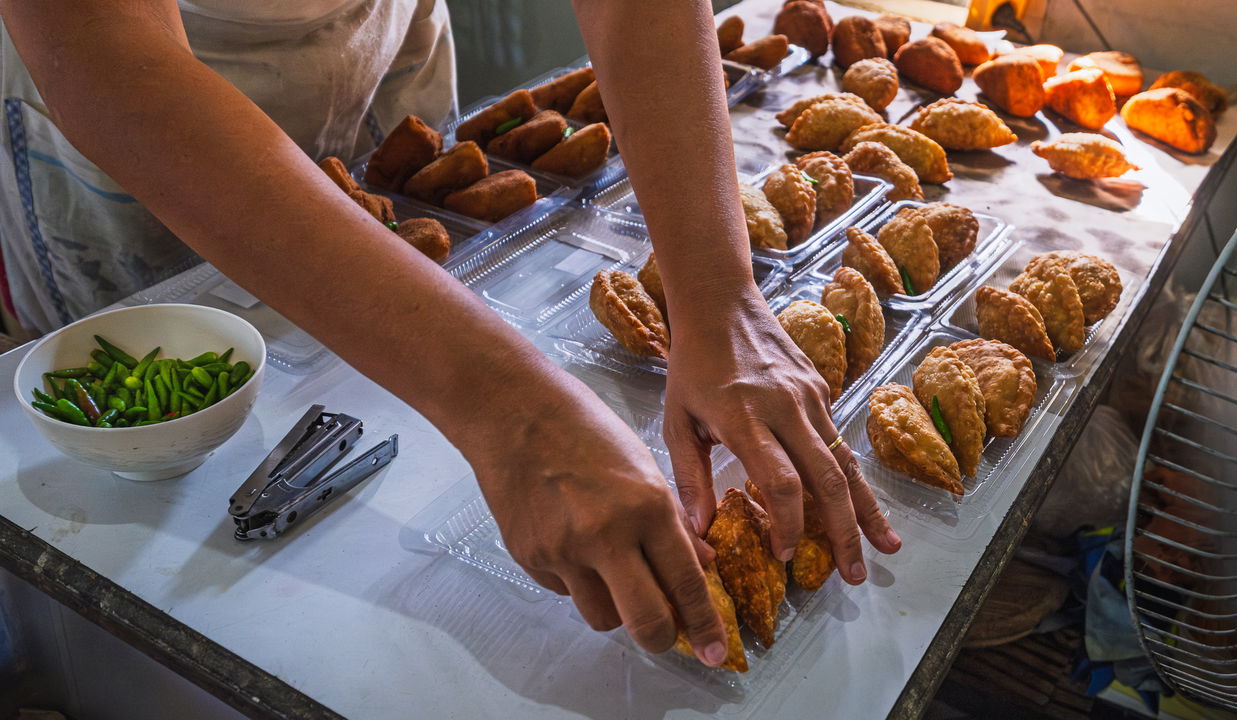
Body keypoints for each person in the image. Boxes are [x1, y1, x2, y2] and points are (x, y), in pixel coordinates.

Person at [0, 0, 900, 667]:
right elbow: (108, 59)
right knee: (133, 552)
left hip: (376, 38)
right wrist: (515, 413)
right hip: (154, 108)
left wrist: (718, 290)